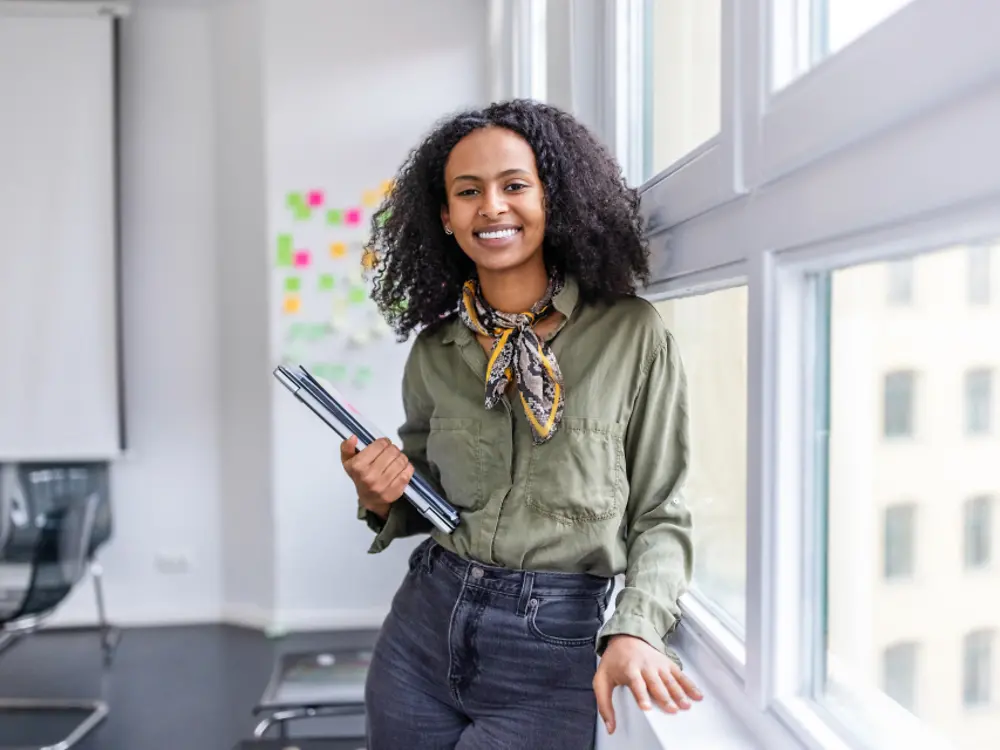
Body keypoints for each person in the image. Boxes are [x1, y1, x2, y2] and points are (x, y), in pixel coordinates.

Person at [339, 98, 701, 750]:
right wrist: (380, 492)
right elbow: (425, 498)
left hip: (551, 658)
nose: (492, 207)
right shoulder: (435, 351)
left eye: (514, 186)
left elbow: (661, 513)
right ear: (445, 216)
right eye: (468, 192)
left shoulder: (631, 336)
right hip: (420, 632)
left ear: (550, 199)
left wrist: (637, 626)